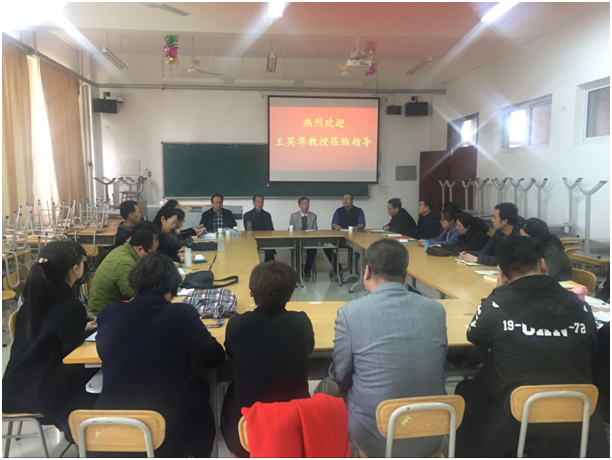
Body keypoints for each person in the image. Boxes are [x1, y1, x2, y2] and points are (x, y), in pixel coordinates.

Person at [456, 236, 608, 457]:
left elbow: (475, 336)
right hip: (578, 420)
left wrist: (497, 292)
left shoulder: (497, 303)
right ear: (543, 264)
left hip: (510, 421)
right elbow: (591, 352)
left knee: (467, 388)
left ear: (502, 274)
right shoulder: (579, 305)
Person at [324, 239, 447, 457]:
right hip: (430, 433)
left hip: (376, 438)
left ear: (367, 271)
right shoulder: (436, 310)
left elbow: (341, 376)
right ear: (405, 275)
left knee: (326, 387)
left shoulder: (350, 313)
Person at [95, 252, 225, 457]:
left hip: (108, 429)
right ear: (172, 285)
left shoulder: (108, 313)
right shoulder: (181, 314)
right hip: (169, 429)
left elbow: (104, 353)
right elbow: (213, 357)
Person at [3, 241, 98, 440]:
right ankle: (82, 431)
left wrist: (79, 328)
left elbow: (49, 333)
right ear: (75, 268)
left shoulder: (32, 301)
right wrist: (84, 333)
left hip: (13, 388)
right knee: (96, 371)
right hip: (40, 394)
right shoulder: (71, 307)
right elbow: (72, 353)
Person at [221, 261, 314, 457]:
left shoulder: (237, 325)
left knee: (229, 391)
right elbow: (310, 348)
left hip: (246, 434)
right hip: (295, 428)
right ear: (290, 295)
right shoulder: (301, 322)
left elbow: (231, 353)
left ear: (251, 293)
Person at [87, 222, 160, 315]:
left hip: (111, 310)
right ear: (139, 249)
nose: (153, 257)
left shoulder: (123, 250)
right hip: (101, 316)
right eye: (152, 253)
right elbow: (134, 293)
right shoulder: (125, 263)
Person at [459, 202, 524, 266]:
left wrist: (478, 259)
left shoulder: (521, 237)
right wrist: (468, 253)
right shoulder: (498, 233)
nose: (492, 220)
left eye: (494, 217)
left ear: (504, 221)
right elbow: (484, 252)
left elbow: (508, 261)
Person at [325, 193, 366, 277]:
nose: (345, 200)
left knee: (358, 247)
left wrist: (356, 227)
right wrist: (336, 226)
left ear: (352, 200)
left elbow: (362, 224)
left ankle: (353, 269)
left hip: (354, 238)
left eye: (348, 198)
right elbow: (333, 223)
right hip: (340, 238)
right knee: (326, 246)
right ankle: (337, 266)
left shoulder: (358, 211)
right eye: (343, 199)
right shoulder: (338, 211)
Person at [289, 196, 318, 279]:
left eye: (307, 203)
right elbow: (290, 229)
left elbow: (315, 230)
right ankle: (298, 268)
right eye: (304, 203)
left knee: (312, 250)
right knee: (296, 249)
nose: (306, 205)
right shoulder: (293, 216)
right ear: (299, 205)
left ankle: (307, 270)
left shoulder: (313, 216)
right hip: (297, 240)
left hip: (309, 240)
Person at [243, 195, 276, 262]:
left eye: (262, 202)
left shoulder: (267, 215)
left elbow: (271, 229)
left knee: (270, 245)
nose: (260, 204)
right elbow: (248, 230)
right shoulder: (247, 215)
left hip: (265, 239)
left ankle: (268, 264)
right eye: (258, 202)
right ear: (253, 203)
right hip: (253, 239)